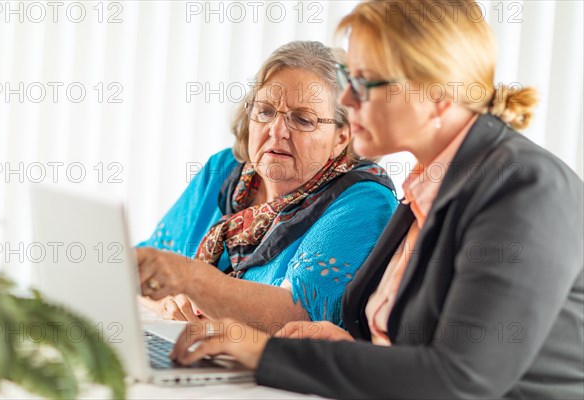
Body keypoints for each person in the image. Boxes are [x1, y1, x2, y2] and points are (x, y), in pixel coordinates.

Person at [168, 1, 584, 399]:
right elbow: (411, 353)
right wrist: (349, 345)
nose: (346, 101)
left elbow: (461, 379)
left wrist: (264, 353)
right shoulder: (428, 185)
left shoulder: (524, 186)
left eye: (364, 82)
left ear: (436, 94)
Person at [137, 41, 398, 329]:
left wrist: (191, 280)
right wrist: (164, 303)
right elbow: (140, 272)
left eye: (302, 119)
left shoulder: (364, 200)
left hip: (273, 369)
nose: (277, 131)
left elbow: (294, 316)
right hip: (189, 354)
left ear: (342, 137)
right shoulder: (222, 170)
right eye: (265, 111)